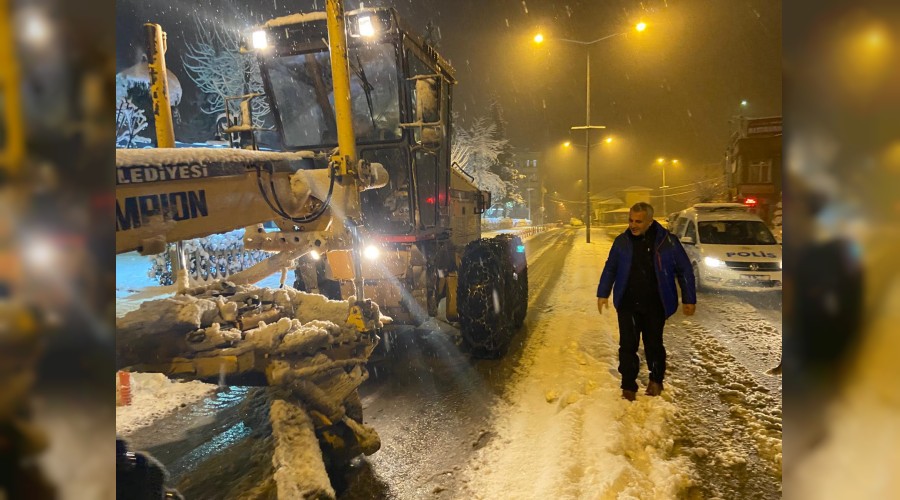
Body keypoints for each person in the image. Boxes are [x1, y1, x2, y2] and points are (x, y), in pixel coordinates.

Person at [596, 202, 697, 401]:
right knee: (628, 345)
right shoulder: (621, 242)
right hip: (627, 302)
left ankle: (656, 379)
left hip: (655, 304)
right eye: (631, 220)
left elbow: (684, 270)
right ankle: (628, 384)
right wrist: (603, 292)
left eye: (638, 221)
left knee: (654, 344)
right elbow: (611, 268)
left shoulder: (667, 242)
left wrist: (689, 298)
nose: (633, 225)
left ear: (650, 221)